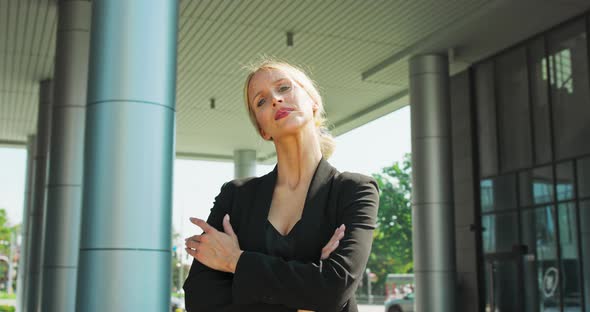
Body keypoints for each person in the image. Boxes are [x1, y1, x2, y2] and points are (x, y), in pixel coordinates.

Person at [183, 60, 379, 312]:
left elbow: (333, 289)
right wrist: (306, 297)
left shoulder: (355, 190)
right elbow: (200, 300)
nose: (275, 99)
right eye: (261, 101)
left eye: (284, 88)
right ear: (263, 130)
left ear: (313, 102)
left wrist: (235, 261)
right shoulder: (235, 196)